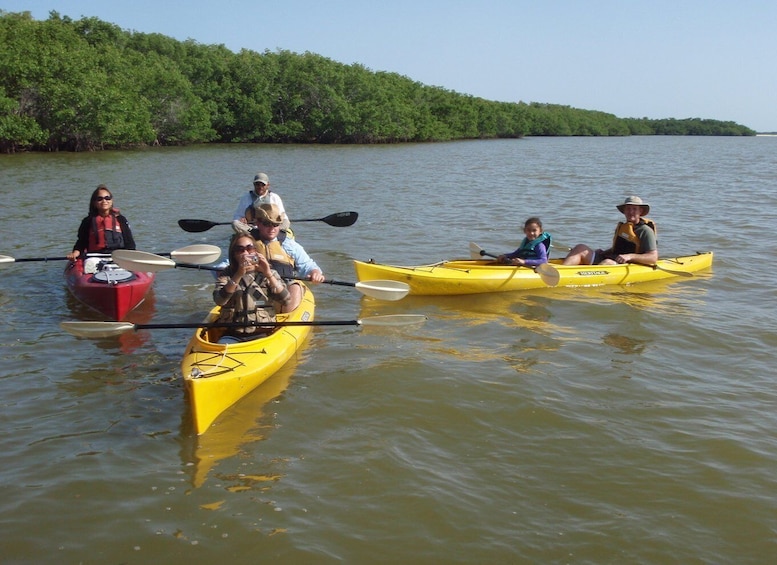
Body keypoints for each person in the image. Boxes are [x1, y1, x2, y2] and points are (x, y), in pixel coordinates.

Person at [213, 233, 294, 342]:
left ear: (256, 251)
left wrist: (268, 274)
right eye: (240, 250)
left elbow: (286, 300)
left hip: (262, 333)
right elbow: (220, 300)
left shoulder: (268, 273)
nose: (245, 253)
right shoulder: (227, 275)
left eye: (250, 248)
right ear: (234, 254)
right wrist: (238, 274)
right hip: (233, 333)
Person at [250, 203, 325, 310]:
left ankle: (286, 318)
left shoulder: (289, 245)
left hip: (283, 290)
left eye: (276, 224)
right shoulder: (246, 244)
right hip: (255, 288)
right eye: (267, 223)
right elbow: (226, 265)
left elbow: (308, 266)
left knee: (295, 286)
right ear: (258, 223)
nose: (272, 228)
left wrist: (315, 273)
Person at [562, 195, 657, 266]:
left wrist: (629, 256)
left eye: (634, 209)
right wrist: (605, 252)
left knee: (607, 262)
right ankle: (561, 272)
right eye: (628, 209)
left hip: (627, 265)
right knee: (580, 248)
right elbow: (621, 248)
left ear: (640, 211)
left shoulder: (645, 231)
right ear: (624, 211)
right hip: (612, 258)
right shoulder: (623, 227)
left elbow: (653, 257)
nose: (631, 212)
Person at [66, 184, 136, 261]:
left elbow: (130, 243)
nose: (104, 201)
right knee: (90, 264)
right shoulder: (87, 221)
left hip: (118, 256)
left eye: (107, 198)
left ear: (111, 201)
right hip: (95, 257)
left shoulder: (121, 219)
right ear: (94, 203)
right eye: (100, 199)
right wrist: (75, 253)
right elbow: (81, 243)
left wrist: (131, 257)